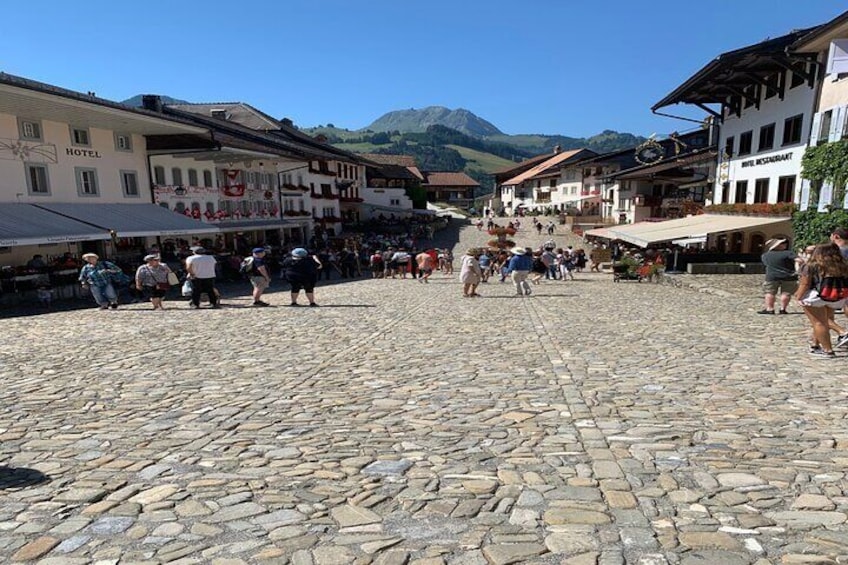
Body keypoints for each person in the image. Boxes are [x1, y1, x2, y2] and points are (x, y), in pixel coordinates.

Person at [794, 243, 848, 358]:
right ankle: (815, 345)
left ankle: (827, 350)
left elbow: (805, 283)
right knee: (826, 320)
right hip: (836, 296)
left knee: (819, 322)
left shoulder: (811, 266)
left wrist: (798, 296)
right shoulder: (842, 265)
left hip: (816, 297)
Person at [759, 238, 798, 315]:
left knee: (769, 292)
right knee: (786, 293)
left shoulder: (765, 255)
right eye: (782, 243)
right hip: (789, 276)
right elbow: (799, 260)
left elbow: (766, 264)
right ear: (777, 246)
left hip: (771, 276)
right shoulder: (788, 253)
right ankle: (783, 309)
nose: (785, 244)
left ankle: (770, 308)